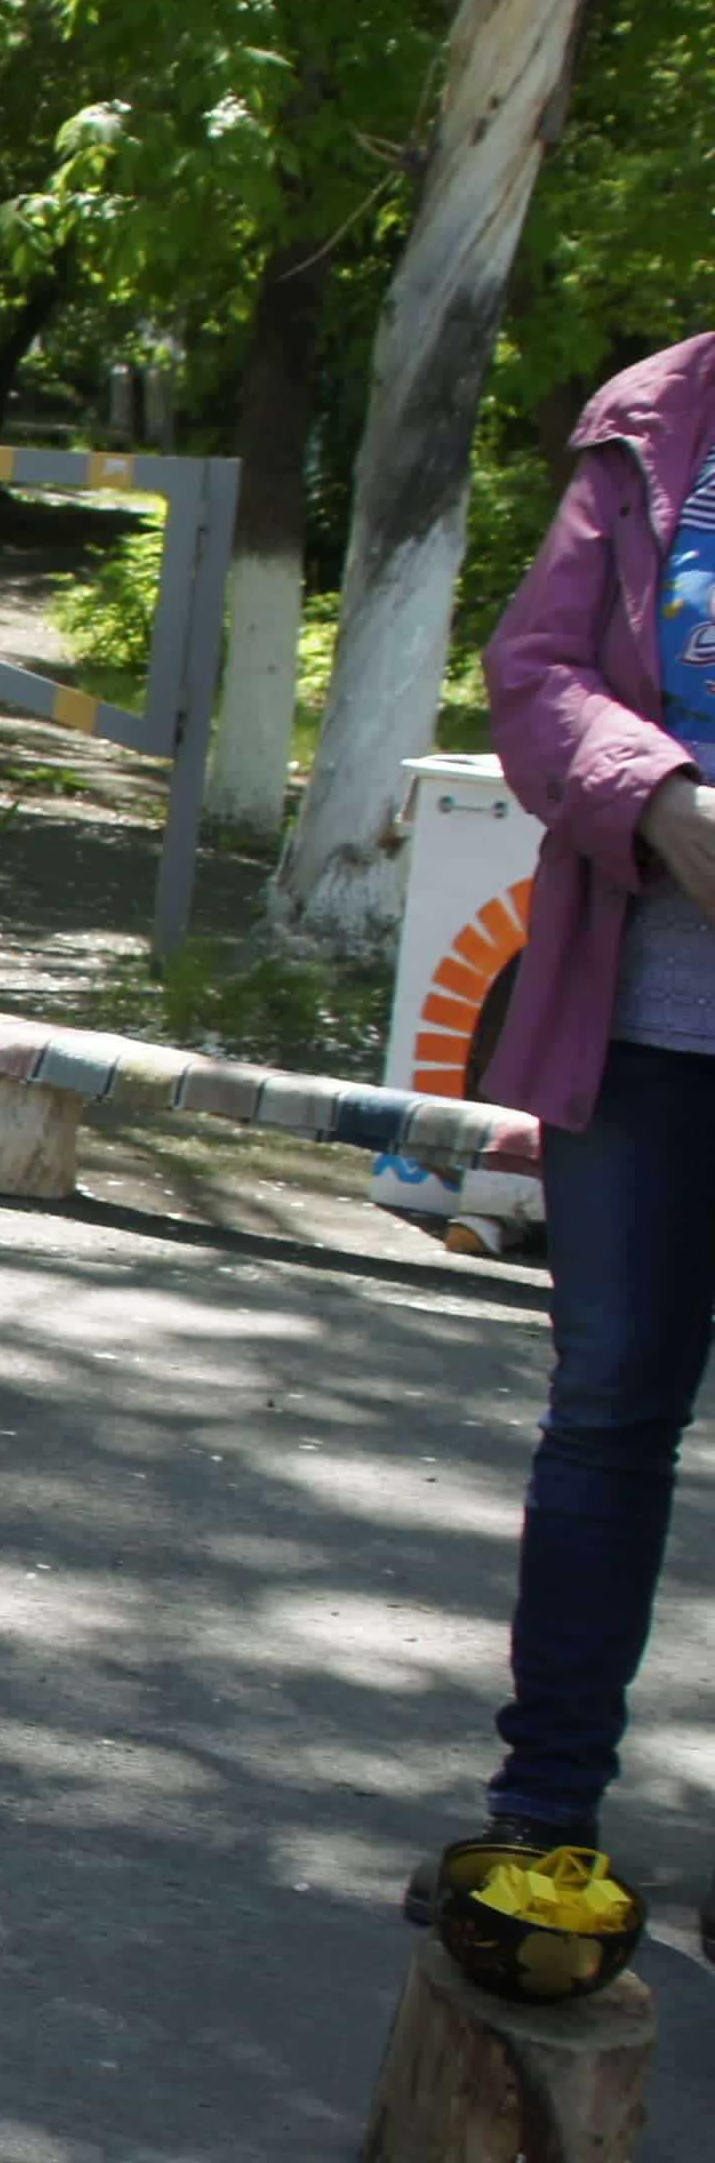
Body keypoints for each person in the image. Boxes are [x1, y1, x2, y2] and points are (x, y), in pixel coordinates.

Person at [415, 326, 715, 1924]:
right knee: (607, 1417)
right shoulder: (658, 420)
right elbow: (536, 676)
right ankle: (543, 1824)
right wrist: (656, 797)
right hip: (648, 1034)